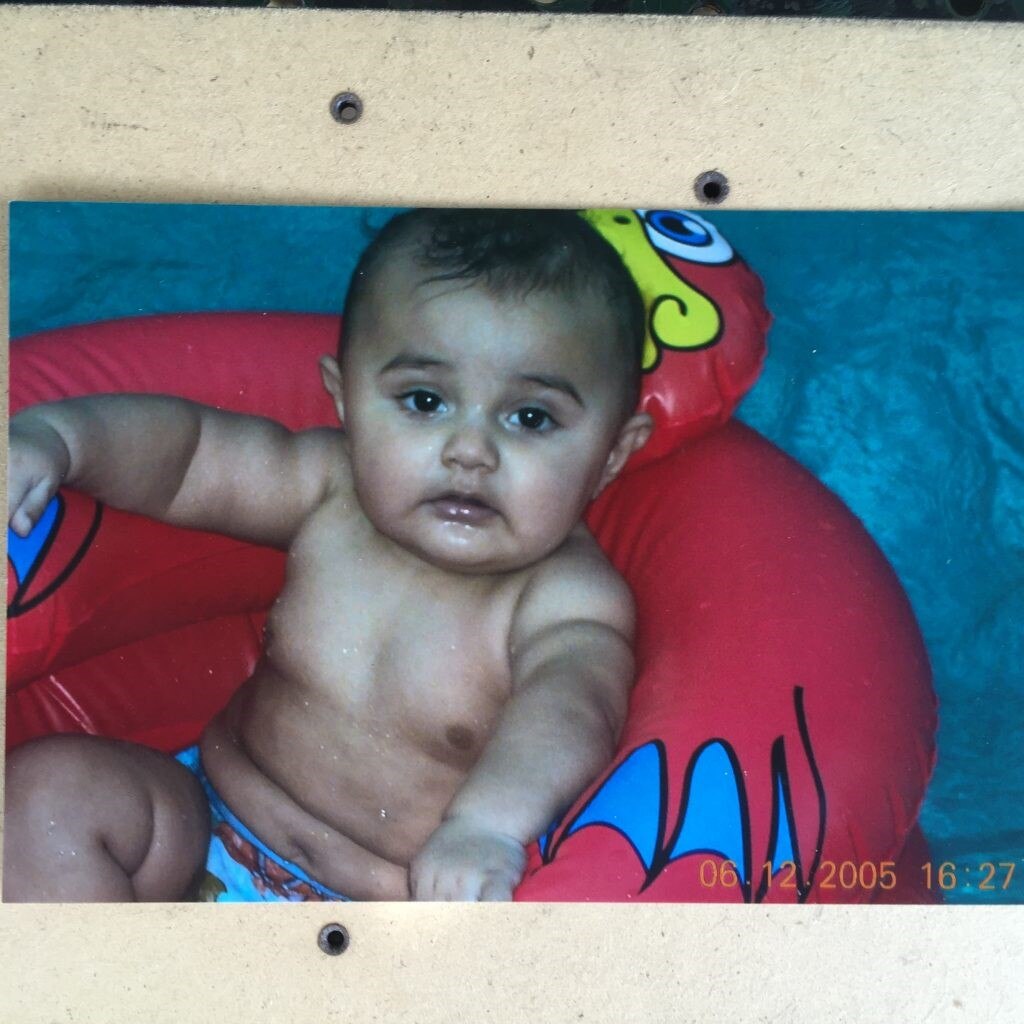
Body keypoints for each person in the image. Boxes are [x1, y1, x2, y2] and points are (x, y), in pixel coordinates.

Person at [4, 209, 653, 902]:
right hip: (203, 822)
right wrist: (57, 439)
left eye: (531, 418)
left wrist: (485, 828)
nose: (471, 451)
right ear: (344, 399)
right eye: (425, 401)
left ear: (612, 455)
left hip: (370, 915)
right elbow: (191, 454)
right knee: (50, 791)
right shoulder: (331, 489)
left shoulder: (563, 599)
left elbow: (571, 712)